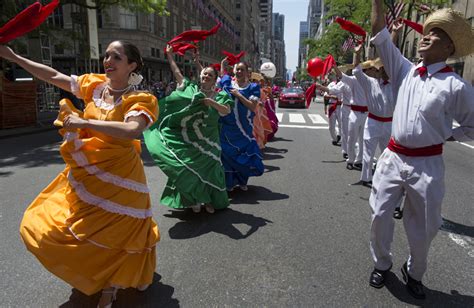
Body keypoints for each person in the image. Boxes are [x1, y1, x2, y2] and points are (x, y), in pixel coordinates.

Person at [0, 41, 160, 307]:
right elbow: (52, 76)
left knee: (116, 233)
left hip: (121, 178)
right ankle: (93, 274)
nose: (108, 60)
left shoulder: (140, 99)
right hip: (87, 175)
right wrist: (15, 57)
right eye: (106, 55)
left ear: (131, 65)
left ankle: (110, 286)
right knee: (50, 225)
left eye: (116, 57)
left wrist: (85, 122)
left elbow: (132, 130)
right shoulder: (95, 85)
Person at [369, 2, 474, 299]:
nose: (425, 36)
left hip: (427, 164)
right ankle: (382, 263)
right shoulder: (404, 70)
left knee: (425, 227)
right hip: (392, 157)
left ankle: (414, 272)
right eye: (426, 32)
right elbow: (378, 31)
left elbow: (472, 124)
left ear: (449, 46)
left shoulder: (457, 86)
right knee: (379, 214)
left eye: (435, 34)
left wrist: (447, 135)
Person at [144, 45, 233, 214]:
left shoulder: (220, 95)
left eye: (210, 75)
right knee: (189, 168)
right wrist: (169, 55)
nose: (206, 76)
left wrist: (211, 103)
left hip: (210, 139)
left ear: (215, 79)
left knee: (211, 169)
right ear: (200, 77)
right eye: (204, 74)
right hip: (189, 139)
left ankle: (209, 200)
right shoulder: (190, 90)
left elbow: (226, 110)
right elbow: (177, 72)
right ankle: (195, 199)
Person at [219, 60, 264, 191]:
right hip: (228, 126)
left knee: (244, 153)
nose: (239, 72)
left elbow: (252, 106)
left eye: (241, 69)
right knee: (227, 155)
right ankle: (230, 182)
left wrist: (238, 95)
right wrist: (223, 66)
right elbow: (223, 77)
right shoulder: (229, 84)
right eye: (237, 69)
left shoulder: (253, 87)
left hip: (244, 127)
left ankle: (242, 180)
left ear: (246, 73)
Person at [352, 51, 395, 188]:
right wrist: (357, 54)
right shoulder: (370, 82)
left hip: (389, 123)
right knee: (368, 152)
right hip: (373, 122)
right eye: (382, 68)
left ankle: (385, 178)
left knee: (387, 154)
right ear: (379, 70)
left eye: (387, 68)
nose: (384, 71)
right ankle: (366, 177)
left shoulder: (397, 85)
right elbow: (357, 72)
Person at [334, 61, 370, 171]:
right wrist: (334, 66)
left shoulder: (372, 81)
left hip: (367, 114)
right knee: (351, 138)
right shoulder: (354, 80)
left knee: (363, 139)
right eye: (369, 69)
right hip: (354, 113)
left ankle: (358, 160)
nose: (372, 71)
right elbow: (341, 76)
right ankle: (350, 159)